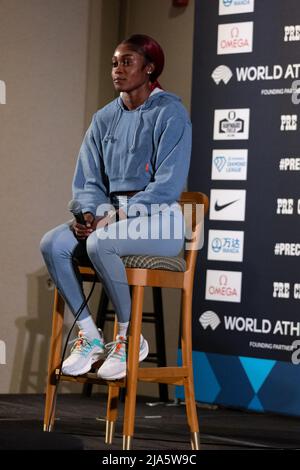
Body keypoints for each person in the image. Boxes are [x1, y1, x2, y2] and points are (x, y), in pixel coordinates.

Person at [40, 34, 191, 380]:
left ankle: (128, 337)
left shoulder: (172, 113)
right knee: (53, 243)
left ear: (149, 68)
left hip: (161, 222)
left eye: (127, 62)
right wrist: (90, 214)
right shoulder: (104, 117)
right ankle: (90, 336)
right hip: (111, 219)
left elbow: (167, 187)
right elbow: (88, 180)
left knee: (100, 242)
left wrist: (118, 216)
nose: (118, 70)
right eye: (114, 63)